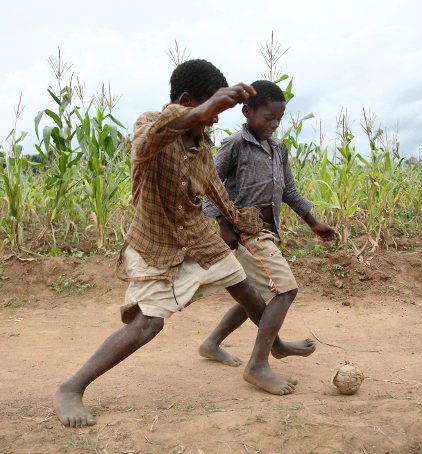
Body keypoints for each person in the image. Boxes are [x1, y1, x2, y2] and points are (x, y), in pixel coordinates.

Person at [53, 61, 302, 429]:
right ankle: (71, 388)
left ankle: (269, 351)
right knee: (147, 325)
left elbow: (216, 191)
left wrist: (242, 222)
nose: (216, 121)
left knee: (246, 290)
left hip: (198, 237)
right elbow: (149, 139)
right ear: (187, 101)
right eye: (213, 111)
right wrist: (201, 110)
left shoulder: (201, 143)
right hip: (157, 242)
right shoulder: (151, 124)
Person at [200, 79, 337, 368]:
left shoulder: (278, 148)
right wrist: (224, 227)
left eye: (279, 118)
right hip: (246, 232)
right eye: (268, 117)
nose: (274, 124)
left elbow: (289, 191)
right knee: (285, 291)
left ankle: (211, 343)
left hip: (268, 233)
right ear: (247, 112)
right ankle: (260, 363)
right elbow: (209, 183)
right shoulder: (235, 145)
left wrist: (313, 222)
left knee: (254, 295)